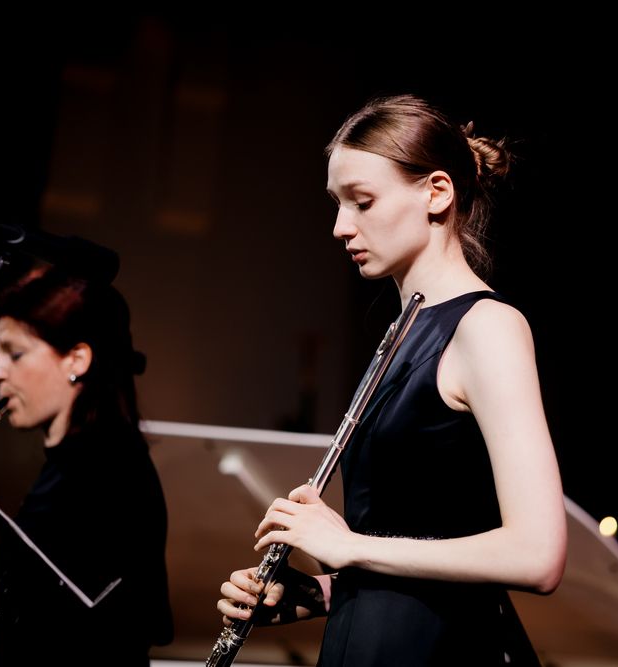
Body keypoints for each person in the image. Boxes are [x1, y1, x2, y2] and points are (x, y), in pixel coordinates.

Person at [217, 94, 566, 666]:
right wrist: (320, 592)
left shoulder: (487, 327)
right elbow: (419, 549)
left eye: (363, 202)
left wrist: (348, 546)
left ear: (437, 192)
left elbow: (538, 554)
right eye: (337, 204)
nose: (340, 227)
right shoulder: (401, 335)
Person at [0, 267, 173, 665]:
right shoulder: (68, 467)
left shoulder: (110, 471)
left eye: (14, 353)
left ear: (76, 359)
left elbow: (132, 624)